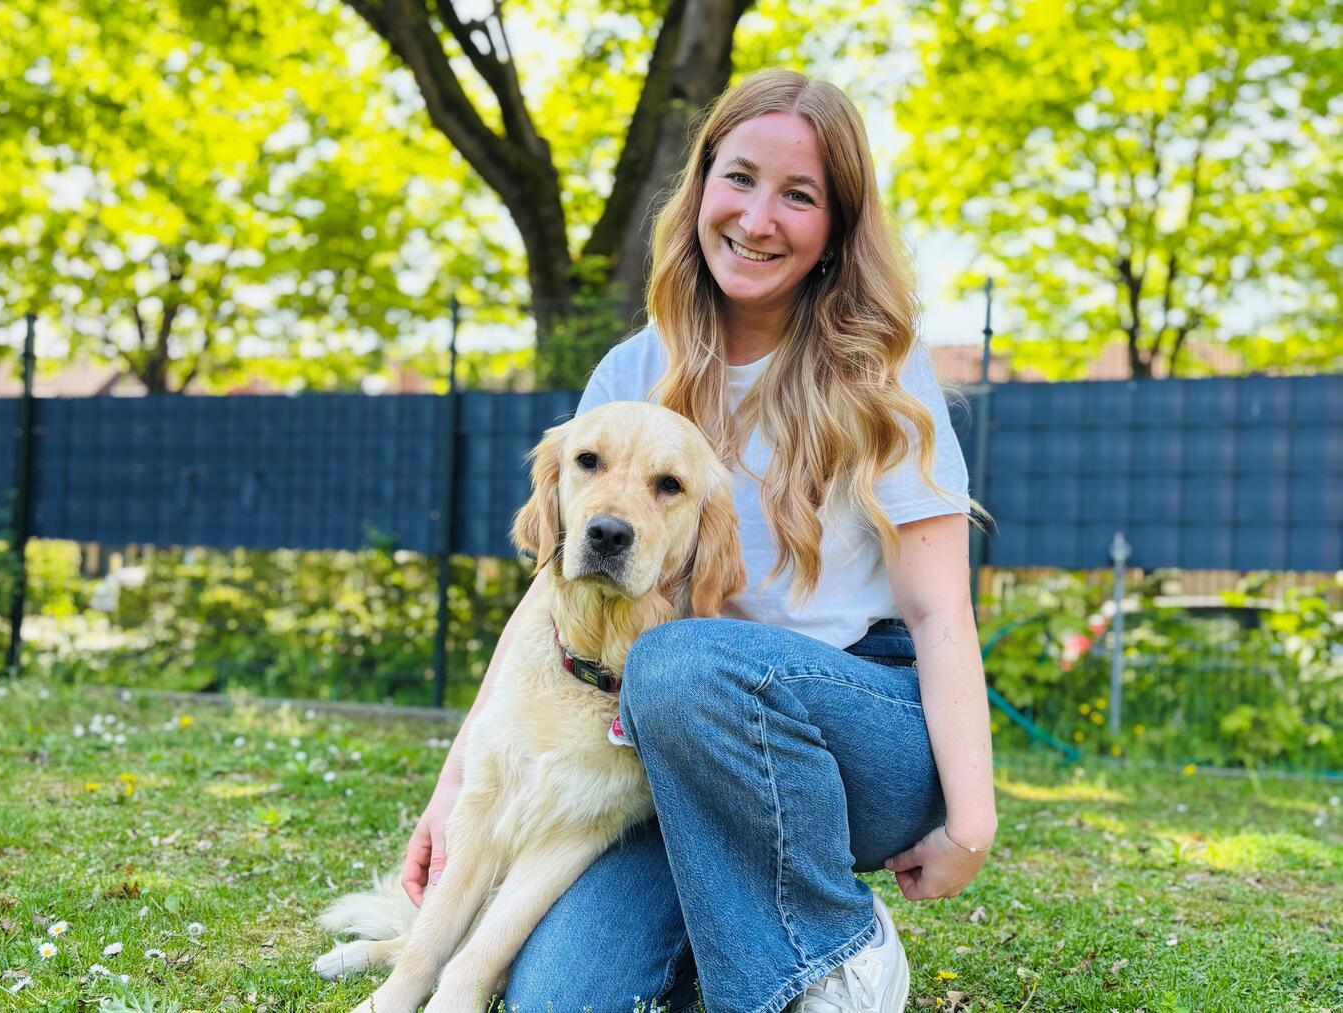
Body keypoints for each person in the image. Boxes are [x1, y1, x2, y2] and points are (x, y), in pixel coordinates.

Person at [403, 68, 997, 1013]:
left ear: (837, 228)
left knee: (677, 662)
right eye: (741, 178)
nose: (759, 218)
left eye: (799, 195)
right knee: (557, 998)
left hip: (859, 722)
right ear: (701, 185)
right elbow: (553, 585)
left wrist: (971, 820)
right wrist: (452, 786)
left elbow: (938, 611)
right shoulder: (633, 369)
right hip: (672, 749)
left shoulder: (880, 370)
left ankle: (835, 937)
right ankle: (727, 932)